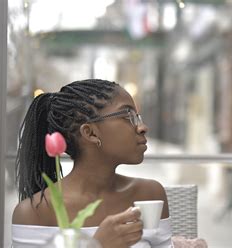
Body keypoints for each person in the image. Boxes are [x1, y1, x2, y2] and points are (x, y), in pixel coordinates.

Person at [12, 79, 172, 247]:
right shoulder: (34, 212)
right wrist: (96, 245)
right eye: (127, 116)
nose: (142, 127)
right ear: (90, 133)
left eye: (137, 117)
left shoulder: (150, 195)